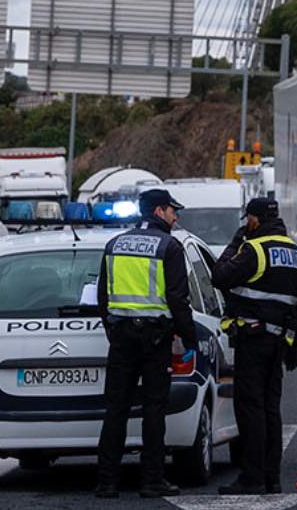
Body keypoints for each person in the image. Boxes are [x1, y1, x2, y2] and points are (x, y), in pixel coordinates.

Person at [94, 188, 199, 498]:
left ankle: (107, 481)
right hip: (156, 339)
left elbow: (103, 295)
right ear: (158, 212)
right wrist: (189, 336)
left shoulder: (115, 244)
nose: (175, 216)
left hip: (122, 337)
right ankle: (152, 480)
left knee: (116, 409)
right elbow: (178, 299)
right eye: (171, 210)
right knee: (154, 409)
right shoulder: (169, 246)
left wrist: (112, 329)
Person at [211, 198, 297, 495]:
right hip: (280, 342)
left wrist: (235, 242)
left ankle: (252, 477)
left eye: (248, 220)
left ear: (254, 220)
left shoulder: (253, 250)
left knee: (250, 408)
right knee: (271, 409)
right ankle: (272, 478)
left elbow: (220, 276)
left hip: (253, 340)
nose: (247, 224)